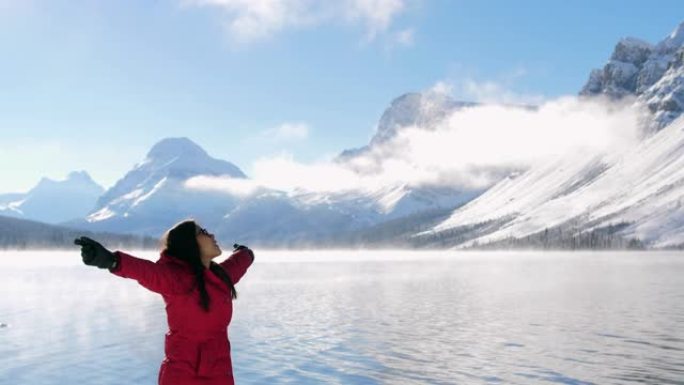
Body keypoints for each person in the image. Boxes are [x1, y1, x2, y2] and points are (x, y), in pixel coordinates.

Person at [74, 219, 254, 385]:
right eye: (203, 232)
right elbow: (146, 271)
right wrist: (111, 261)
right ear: (189, 244)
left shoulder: (221, 277)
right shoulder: (176, 278)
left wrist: (246, 253)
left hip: (220, 375)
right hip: (183, 376)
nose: (212, 235)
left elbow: (238, 263)